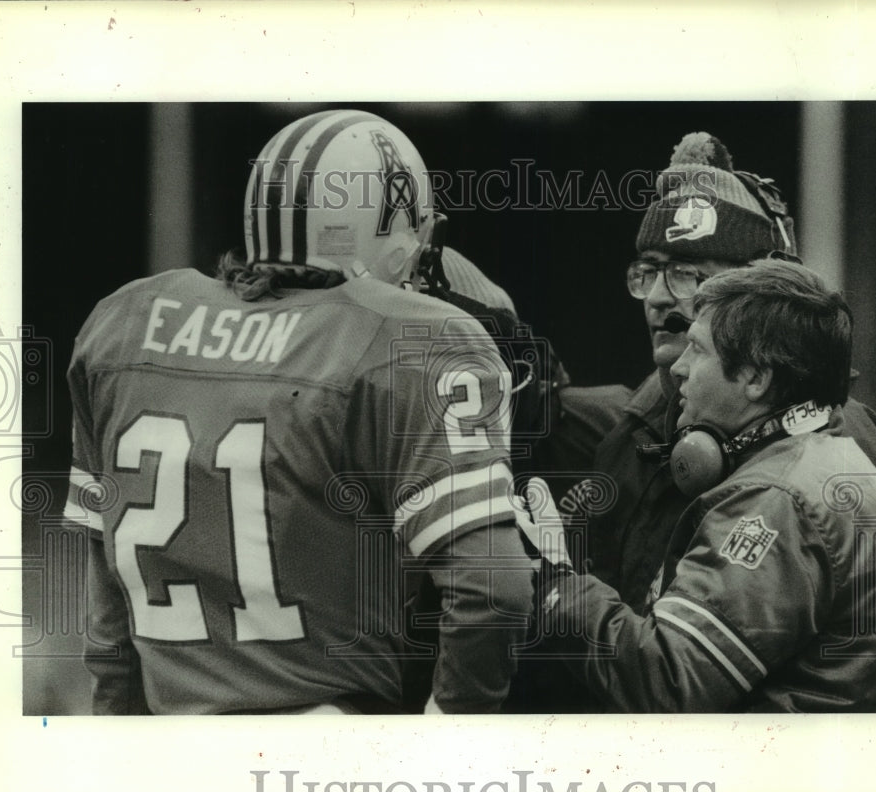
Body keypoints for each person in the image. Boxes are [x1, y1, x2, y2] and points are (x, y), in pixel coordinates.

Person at [63, 109, 533, 715]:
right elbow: (494, 589)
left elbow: (109, 624)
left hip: (167, 751)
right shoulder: (411, 338)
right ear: (390, 232)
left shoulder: (126, 323)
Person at [519, 260, 876, 712]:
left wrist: (556, 583)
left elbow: (670, 683)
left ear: (756, 378)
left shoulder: (775, 500)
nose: (680, 369)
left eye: (698, 349)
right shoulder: (828, 458)